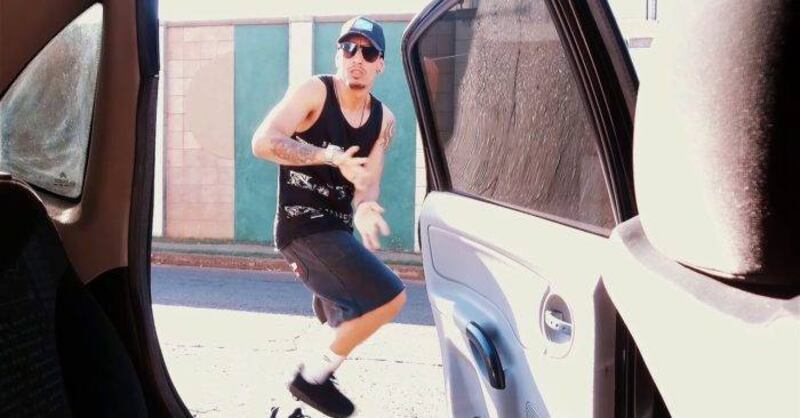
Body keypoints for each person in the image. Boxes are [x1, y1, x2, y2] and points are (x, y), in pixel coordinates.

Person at [251, 16, 407, 418]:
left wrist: (366, 208)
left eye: (368, 52)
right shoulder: (314, 92)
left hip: (337, 231)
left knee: (340, 323)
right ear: (338, 55)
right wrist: (328, 156)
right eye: (349, 48)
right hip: (301, 226)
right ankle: (310, 382)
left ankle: (287, 405)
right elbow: (263, 142)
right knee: (390, 298)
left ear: (380, 64)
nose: (357, 58)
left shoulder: (384, 121)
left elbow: (367, 184)